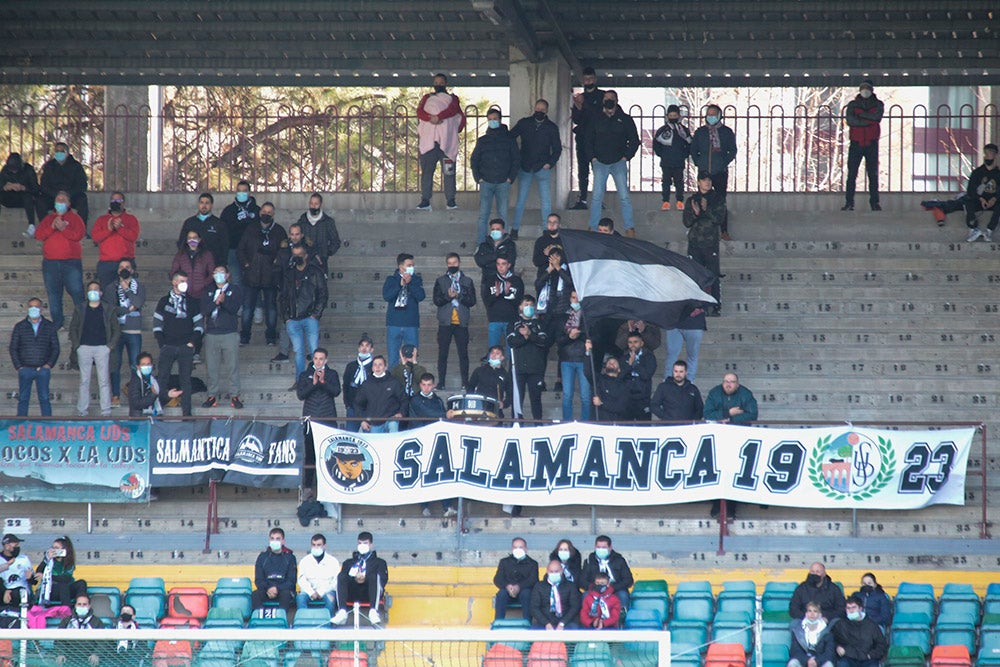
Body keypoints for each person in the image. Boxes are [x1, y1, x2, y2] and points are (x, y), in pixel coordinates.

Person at [586, 90, 640, 236]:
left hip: (618, 163)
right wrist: (593, 158)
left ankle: (630, 229)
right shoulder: (595, 118)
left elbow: (635, 140)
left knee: (624, 196)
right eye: (606, 98)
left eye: (611, 98)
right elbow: (587, 140)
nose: (608, 101)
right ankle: (592, 227)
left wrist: (626, 157)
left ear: (617, 100)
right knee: (597, 196)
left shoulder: (625, 119)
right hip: (599, 163)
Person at [153, 272, 204, 417]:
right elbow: (157, 324)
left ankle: (186, 414)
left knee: (185, 381)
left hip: (185, 347)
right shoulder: (164, 301)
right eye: (182, 281)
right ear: (174, 282)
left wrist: (191, 343)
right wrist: (162, 343)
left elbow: (199, 325)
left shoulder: (192, 302)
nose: (185, 284)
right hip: (167, 346)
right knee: (162, 378)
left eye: (186, 281)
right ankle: (159, 410)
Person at [409, 373, 458, 517]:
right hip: (421, 440)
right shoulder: (415, 400)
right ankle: (424, 506)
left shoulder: (437, 400)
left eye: (429, 385)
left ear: (434, 385)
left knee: (442, 472)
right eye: (423, 385)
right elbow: (427, 413)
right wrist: (445, 414)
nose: (426, 388)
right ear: (419, 385)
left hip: (436, 440)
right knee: (424, 473)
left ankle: (447, 506)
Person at [69, 281, 121, 417]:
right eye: (90, 289)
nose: (93, 292)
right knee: (84, 381)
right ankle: (82, 410)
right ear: (87, 293)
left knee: (103, 380)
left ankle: (106, 410)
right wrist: (77, 346)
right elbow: (73, 327)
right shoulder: (80, 308)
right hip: (84, 347)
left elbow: (116, 329)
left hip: (102, 348)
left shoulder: (108, 309)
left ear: (101, 293)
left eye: (96, 289)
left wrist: (110, 346)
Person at [416, 74, 466, 211]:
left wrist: (439, 117)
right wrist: (430, 118)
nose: (438, 84)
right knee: (427, 172)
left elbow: (454, 111)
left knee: (449, 172)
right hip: (429, 144)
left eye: (441, 82)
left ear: (445, 84)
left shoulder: (453, 99)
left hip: (446, 144)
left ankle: (451, 201)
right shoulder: (427, 98)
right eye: (436, 82)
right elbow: (420, 112)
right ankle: (425, 200)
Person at [237, 201, 285, 346]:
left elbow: (284, 253)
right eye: (264, 211)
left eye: (270, 212)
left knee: (271, 309)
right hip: (252, 276)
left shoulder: (279, 231)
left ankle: (271, 338)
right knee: (247, 309)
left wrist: (275, 267)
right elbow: (240, 250)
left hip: (270, 278)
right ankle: (245, 338)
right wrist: (246, 265)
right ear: (259, 213)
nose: (266, 214)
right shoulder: (251, 229)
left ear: (274, 214)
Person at [271, 222, 320, 363]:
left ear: (302, 235)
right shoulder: (283, 251)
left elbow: (316, 270)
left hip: (306, 293)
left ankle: (311, 353)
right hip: (289, 292)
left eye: (297, 234)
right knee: (286, 321)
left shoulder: (310, 250)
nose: (294, 237)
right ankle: (283, 352)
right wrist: (281, 286)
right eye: (291, 234)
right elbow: (276, 271)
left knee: (309, 323)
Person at [36, 190, 86, 330]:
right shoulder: (48, 219)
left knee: (77, 292)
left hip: (71, 262)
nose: (60, 202)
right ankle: (57, 322)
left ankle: (82, 321)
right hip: (50, 263)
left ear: (69, 203)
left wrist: (64, 229)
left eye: (63, 200)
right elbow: (39, 235)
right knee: (53, 294)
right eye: (58, 200)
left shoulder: (76, 219)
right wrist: (52, 227)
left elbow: (79, 235)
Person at [510, 99, 561, 234]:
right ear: (534, 108)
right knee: (521, 200)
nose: (539, 111)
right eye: (538, 109)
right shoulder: (524, 123)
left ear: (547, 111)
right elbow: (510, 137)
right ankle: (515, 229)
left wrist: (550, 163)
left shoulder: (551, 127)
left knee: (546, 202)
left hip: (542, 167)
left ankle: (546, 230)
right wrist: (517, 157)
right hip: (525, 166)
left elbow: (557, 149)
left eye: (542, 110)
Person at [471, 106, 520, 243]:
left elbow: (516, 159)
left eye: (495, 119)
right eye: (490, 119)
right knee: (483, 216)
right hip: (486, 182)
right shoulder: (482, 140)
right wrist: (478, 178)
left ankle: (504, 244)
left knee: (503, 215)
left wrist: (510, 178)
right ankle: (481, 245)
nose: (492, 121)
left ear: (500, 120)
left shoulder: (509, 140)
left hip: (503, 183)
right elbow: (474, 160)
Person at [280, 243, 327, 378]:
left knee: (314, 351)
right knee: (298, 351)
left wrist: (316, 314)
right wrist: (286, 318)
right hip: (293, 319)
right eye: (294, 255)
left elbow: (323, 294)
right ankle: (300, 380)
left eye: (299, 255)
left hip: (310, 317)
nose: (296, 258)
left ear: (306, 256)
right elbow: (282, 297)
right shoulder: (288, 273)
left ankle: (318, 378)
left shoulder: (315, 272)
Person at [690, 105, 737, 239]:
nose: (711, 117)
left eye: (714, 114)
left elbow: (732, 150)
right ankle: (703, 229)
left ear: (719, 116)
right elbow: (694, 150)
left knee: (720, 201)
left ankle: (723, 230)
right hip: (704, 171)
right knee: (703, 200)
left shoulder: (726, 132)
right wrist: (699, 163)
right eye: (708, 114)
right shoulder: (700, 132)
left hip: (720, 172)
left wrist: (723, 162)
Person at [200, 265, 243, 409]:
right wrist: (215, 302)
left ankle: (235, 395)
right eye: (216, 273)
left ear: (227, 275)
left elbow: (234, 309)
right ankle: (212, 396)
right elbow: (204, 310)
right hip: (212, 333)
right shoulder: (208, 290)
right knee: (212, 367)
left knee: (232, 366)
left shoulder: (234, 290)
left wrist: (224, 301)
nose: (219, 275)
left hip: (229, 333)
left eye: (221, 272)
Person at [103, 259, 145, 408]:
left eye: (127, 267)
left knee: (135, 364)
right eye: (121, 267)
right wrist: (128, 310)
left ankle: (135, 395)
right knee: (115, 364)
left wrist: (127, 289)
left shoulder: (139, 286)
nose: (124, 269)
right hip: (116, 331)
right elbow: (111, 309)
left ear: (132, 270)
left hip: (134, 330)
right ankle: (115, 395)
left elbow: (139, 303)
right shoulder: (110, 287)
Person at [433, 253, 476, 390]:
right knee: (442, 353)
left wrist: (459, 295)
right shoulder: (440, 281)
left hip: (461, 323)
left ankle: (465, 382)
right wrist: (448, 297)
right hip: (445, 323)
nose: (452, 265)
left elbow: (472, 301)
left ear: (459, 263)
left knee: (463, 354)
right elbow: (437, 301)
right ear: (447, 264)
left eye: (455, 262)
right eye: (450, 263)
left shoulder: (467, 281)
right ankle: (441, 382)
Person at [10, 297, 59, 417]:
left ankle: (48, 427)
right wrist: (19, 366)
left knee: (44, 398)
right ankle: (20, 426)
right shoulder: (20, 326)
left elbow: (55, 348)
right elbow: (13, 348)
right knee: (23, 399)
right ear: (28, 308)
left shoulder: (49, 326)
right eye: (31, 307)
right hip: (25, 369)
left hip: (43, 369)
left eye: (36, 307)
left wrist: (49, 365)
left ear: (41, 309)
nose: (33, 309)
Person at [684, 171, 724, 315]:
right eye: (704, 180)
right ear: (698, 182)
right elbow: (686, 222)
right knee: (695, 275)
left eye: (709, 180)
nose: (707, 183)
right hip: (695, 243)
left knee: (713, 275)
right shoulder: (692, 200)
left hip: (710, 242)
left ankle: (714, 305)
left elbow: (719, 219)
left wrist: (706, 210)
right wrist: (695, 213)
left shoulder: (717, 199)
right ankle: (697, 305)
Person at [842, 80, 885, 212]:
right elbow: (850, 120)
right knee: (852, 174)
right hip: (856, 142)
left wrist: (860, 115)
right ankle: (849, 203)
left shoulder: (878, 104)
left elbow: (877, 117)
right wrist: (868, 120)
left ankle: (875, 203)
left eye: (867, 88)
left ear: (872, 90)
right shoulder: (852, 104)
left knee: (873, 175)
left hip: (871, 143)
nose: (865, 90)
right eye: (863, 88)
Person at [331, 532, 389, 626]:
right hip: (352, 593)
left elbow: (383, 580)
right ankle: (342, 612)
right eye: (360, 543)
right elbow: (343, 580)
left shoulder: (380, 562)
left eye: (365, 543)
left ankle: (373, 611)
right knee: (341, 575)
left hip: (370, 593)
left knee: (374, 576)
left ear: (371, 545)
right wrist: (355, 578)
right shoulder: (348, 562)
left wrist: (365, 578)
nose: (362, 545)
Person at [570, 66, 606, 210]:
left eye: (590, 79)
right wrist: (578, 106)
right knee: (582, 170)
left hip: (598, 138)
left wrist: (583, 103)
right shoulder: (580, 98)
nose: (588, 81)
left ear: (595, 79)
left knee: (598, 170)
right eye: (586, 79)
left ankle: (598, 200)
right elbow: (576, 120)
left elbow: (599, 115)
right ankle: (583, 198)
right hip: (583, 137)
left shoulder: (601, 96)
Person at [507, 295, 548, 421]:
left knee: (536, 399)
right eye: (526, 305)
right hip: (518, 368)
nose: (528, 307)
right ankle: (517, 425)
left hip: (536, 368)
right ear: (520, 307)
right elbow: (511, 342)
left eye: (531, 305)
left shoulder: (540, 323)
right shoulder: (514, 323)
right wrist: (524, 338)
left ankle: (538, 426)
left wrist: (530, 334)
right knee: (517, 399)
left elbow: (543, 341)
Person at [382, 253, 425, 367]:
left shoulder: (416, 279)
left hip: (410, 323)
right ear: (401, 267)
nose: (412, 267)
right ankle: (394, 383)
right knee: (393, 358)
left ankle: (410, 383)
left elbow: (421, 296)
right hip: (394, 323)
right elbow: (386, 296)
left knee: (411, 357)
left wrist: (410, 284)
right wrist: (399, 285)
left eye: (413, 265)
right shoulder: (391, 279)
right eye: (409, 265)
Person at [91, 192, 140, 290]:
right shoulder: (101, 219)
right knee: (107, 293)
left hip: (126, 263)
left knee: (127, 292)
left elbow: (133, 236)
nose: (115, 202)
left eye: (118, 200)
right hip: (106, 263)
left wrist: (120, 228)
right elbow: (95, 237)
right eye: (113, 200)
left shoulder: (131, 219)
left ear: (123, 203)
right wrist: (109, 229)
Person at [37, 142, 89, 229]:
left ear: (67, 153)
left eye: (62, 151)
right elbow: (44, 185)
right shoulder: (49, 166)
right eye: (57, 151)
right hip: (53, 196)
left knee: (82, 199)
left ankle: (82, 229)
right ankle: (45, 228)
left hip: (71, 197)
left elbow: (82, 185)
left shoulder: (76, 166)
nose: (59, 153)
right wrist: (57, 195)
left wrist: (67, 195)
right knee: (40, 200)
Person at [219, 180, 260, 285]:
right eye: (239, 191)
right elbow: (222, 232)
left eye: (245, 191)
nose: (242, 193)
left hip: (252, 252)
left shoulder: (257, 210)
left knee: (252, 281)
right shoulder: (228, 211)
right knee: (236, 280)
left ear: (249, 192)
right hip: (233, 251)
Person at [558, 291, 591, 421]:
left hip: (583, 358)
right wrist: (569, 337)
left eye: (578, 298)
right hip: (566, 359)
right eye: (573, 297)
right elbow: (558, 340)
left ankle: (586, 423)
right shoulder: (562, 317)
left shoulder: (587, 316)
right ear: (569, 298)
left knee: (585, 396)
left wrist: (579, 334)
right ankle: (567, 423)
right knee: (567, 395)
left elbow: (594, 335)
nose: (576, 301)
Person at [653, 105, 692, 211]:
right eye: (671, 115)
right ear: (667, 116)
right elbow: (656, 144)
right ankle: (666, 201)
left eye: (675, 115)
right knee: (666, 182)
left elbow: (689, 144)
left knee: (679, 182)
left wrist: (684, 154)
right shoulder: (662, 130)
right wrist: (662, 154)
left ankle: (679, 201)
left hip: (679, 162)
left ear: (678, 116)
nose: (673, 117)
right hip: (666, 161)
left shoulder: (683, 130)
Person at [831, 595, 888, 667]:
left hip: (868, 659)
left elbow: (881, 645)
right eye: (848, 608)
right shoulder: (840, 625)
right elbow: (832, 640)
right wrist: (837, 647)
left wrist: (871, 655)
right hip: (848, 658)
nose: (851, 611)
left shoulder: (871, 625)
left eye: (854, 607)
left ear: (860, 608)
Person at [355, 356, 407, 434]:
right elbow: (358, 404)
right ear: (372, 368)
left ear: (385, 367)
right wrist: (362, 420)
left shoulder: (394, 383)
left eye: (380, 364)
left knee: (393, 431)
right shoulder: (366, 384)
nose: (377, 367)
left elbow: (404, 400)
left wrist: (401, 413)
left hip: (391, 420)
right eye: (375, 365)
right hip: (374, 423)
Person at [581, 535, 633, 611]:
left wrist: (613, 588)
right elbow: (582, 581)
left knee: (623, 595)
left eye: (604, 547)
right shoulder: (589, 561)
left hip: (615, 589)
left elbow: (628, 580)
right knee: (585, 595)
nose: (601, 549)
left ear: (610, 548)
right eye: (598, 547)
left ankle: (622, 619)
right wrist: (594, 587)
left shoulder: (619, 560)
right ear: (595, 547)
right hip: (595, 589)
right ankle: (590, 620)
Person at [492, 537, 539, 621]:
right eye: (515, 547)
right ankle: (498, 622)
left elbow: (533, 580)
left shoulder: (533, 564)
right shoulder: (504, 562)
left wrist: (519, 587)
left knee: (527, 594)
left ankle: (527, 622)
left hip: (524, 592)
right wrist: (507, 586)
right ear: (512, 549)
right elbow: (497, 579)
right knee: (501, 594)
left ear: (526, 549)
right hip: (507, 591)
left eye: (520, 547)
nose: (518, 549)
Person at [295, 192, 341, 277]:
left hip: (321, 262)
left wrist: (325, 254)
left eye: (316, 204)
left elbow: (336, 242)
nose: (313, 206)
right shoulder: (302, 221)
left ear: (320, 204)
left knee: (321, 287)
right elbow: (296, 239)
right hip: (305, 261)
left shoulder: (328, 222)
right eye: (311, 203)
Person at [251, 528, 296, 613]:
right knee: (255, 594)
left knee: (286, 594)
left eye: (278, 539)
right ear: (269, 540)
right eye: (272, 538)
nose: (274, 541)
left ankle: (281, 619)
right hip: (267, 589)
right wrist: (269, 588)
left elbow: (291, 581)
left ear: (283, 541)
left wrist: (277, 588)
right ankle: (260, 619)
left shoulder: (290, 557)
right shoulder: (262, 557)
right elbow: (259, 580)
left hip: (283, 589)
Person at [33, 537, 87, 608]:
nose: (53, 550)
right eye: (53, 547)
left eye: (56, 548)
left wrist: (47, 576)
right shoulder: (49, 560)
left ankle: (81, 606)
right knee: (63, 586)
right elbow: (39, 572)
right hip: (51, 590)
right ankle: (67, 611)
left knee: (81, 583)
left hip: (66, 590)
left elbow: (66, 579)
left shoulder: (69, 562)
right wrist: (46, 559)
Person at [177, 193, 228, 267]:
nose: (204, 206)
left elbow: (224, 245)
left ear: (212, 205)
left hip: (213, 264)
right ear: (198, 204)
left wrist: (222, 264)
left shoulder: (219, 224)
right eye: (201, 203)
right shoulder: (189, 222)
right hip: (193, 264)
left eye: (207, 203)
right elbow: (181, 243)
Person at [963, 143, 1000, 242]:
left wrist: (994, 198)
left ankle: (989, 230)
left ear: (996, 155)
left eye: (990, 153)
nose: (987, 156)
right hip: (979, 201)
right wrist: (980, 199)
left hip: (994, 202)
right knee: (967, 202)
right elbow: (970, 191)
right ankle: (973, 228)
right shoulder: (977, 173)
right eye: (986, 153)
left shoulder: (998, 174)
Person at [529, 560, 582, 630]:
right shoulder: (539, 586)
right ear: (547, 571)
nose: (554, 574)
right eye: (551, 571)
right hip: (543, 623)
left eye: (557, 571)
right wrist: (546, 623)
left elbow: (575, 606)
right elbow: (534, 608)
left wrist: (562, 623)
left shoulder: (570, 586)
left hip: (566, 623)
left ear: (562, 571)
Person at [55, 594, 104, 667]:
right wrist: (60, 653)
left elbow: (102, 641)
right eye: (79, 604)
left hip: (90, 661)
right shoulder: (66, 621)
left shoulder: (97, 622)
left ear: (89, 606)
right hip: (69, 660)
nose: (82, 606)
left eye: (84, 604)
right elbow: (59, 640)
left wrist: (96, 654)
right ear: (75, 605)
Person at [296, 534, 340, 615]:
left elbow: (335, 582)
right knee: (300, 597)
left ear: (324, 546)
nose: (316, 547)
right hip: (308, 592)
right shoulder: (304, 561)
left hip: (327, 591)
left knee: (331, 599)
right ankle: (303, 623)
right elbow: (301, 580)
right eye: (313, 545)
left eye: (319, 545)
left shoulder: (333, 561)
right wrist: (311, 592)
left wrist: (321, 592)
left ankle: (328, 623)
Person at [663, 305, 707, 384]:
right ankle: (667, 380)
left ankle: (689, 381)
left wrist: (702, 308)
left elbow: (710, 295)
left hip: (694, 322)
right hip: (674, 321)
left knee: (692, 355)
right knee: (672, 354)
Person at [789, 601, 838, 667]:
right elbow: (795, 651)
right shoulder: (797, 631)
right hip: (803, 662)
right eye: (809, 611)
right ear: (806, 614)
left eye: (815, 611)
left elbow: (829, 654)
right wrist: (807, 660)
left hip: (820, 662)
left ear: (820, 615)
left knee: (829, 665)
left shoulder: (828, 632)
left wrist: (817, 661)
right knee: (793, 663)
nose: (812, 614)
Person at [467, 346, 512, 417]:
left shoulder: (505, 375)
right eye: (492, 353)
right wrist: (473, 400)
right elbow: (470, 387)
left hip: (495, 410)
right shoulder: (479, 370)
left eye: (497, 353)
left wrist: (504, 404)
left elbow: (510, 393)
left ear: (502, 357)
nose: (494, 355)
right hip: (479, 408)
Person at [621, 331, 656, 421]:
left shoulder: (649, 356)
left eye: (635, 342)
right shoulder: (623, 357)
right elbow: (620, 376)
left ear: (642, 343)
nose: (632, 345)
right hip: (627, 397)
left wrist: (634, 363)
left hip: (643, 398)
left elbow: (646, 375)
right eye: (630, 342)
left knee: (644, 427)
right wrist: (629, 365)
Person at [1, 152, 39, 236]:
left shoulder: (29, 170)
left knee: (27, 196)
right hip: (9, 199)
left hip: (24, 200)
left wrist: (24, 188)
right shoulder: (5, 170)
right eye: (11, 170)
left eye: (15, 170)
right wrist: (5, 187)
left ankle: (31, 225)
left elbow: (36, 189)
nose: (14, 172)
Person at [343, 334, 375, 432]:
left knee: (369, 441)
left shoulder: (375, 365)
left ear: (371, 349)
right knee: (350, 437)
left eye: (367, 346)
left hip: (369, 408)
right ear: (358, 348)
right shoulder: (351, 366)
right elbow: (345, 386)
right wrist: (347, 404)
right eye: (362, 345)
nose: (364, 348)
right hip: (352, 407)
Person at [170, 229, 214, 300]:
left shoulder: (207, 255)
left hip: (202, 293)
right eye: (189, 238)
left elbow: (212, 273)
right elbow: (173, 272)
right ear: (186, 240)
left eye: (194, 237)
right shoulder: (180, 255)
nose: (192, 240)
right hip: (184, 293)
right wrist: (179, 284)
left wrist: (203, 284)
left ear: (199, 240)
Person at [128, 352, 175, 417]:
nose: (146, 366)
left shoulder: (154, 381)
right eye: (143, 364)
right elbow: (136, 404)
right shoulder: (135, 382)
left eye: (148, 364)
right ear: (138, 367)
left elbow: (159, 401)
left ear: (152, 365)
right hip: (140, 420)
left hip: (155, 419)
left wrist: (168, 396)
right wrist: (152, 395)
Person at [298, 348, 341, 418]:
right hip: (310, 415)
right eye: (316, 358)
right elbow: (300, 395)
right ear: (313, 359)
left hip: (328, 415)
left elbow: (336, 392)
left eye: (321, 359)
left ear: (325, 361)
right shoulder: (304, 375)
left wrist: (323, 382)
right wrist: (313, 384)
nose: (318, 361)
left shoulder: (332, 373)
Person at [590, 354, 628, 422]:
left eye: (614, 363)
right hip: (598, 422)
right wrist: (587, 353)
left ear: (619, 369)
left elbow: (621, 406)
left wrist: (602, 403)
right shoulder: (598, 380)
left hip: (615, 423)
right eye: (609, 362)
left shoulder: (623, 385)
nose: (611, 363)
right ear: (605, 368)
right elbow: (588, 371)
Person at [0, 534, 33, 612]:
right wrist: (5, 591)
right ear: (6, 546)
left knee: (17, 593)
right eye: (16, 544)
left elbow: (34, 581)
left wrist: (30, 578)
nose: (18, 547)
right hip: (3, 590)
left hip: (21, 591)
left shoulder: (24, 559)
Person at [532, 213, 563, 281]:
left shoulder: (564, 240)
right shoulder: (541, 241)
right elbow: (536, 261)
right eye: (549, 222)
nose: (552, 224)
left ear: (559, 225)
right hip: (544, 276)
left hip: (560, 277)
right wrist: (546, 255)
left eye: (555, 222)